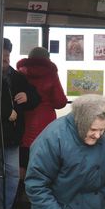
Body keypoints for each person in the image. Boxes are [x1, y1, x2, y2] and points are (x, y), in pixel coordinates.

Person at [0, 38, 40, 209]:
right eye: (2, 55)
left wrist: (28, 96)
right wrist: (6, 112)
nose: (5, 58)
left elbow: (35, 98)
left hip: (12, 136)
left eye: (7, 55)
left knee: (13, 174)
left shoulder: (17, 78)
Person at [16, 46, 67, 180]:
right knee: (43, 161)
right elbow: (60, 102)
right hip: (46, 123)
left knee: (22, 161)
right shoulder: (50, 73)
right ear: (47, 59)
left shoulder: (20, 72)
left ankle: (19, 193)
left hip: (24, 121)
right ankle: (38, 192)